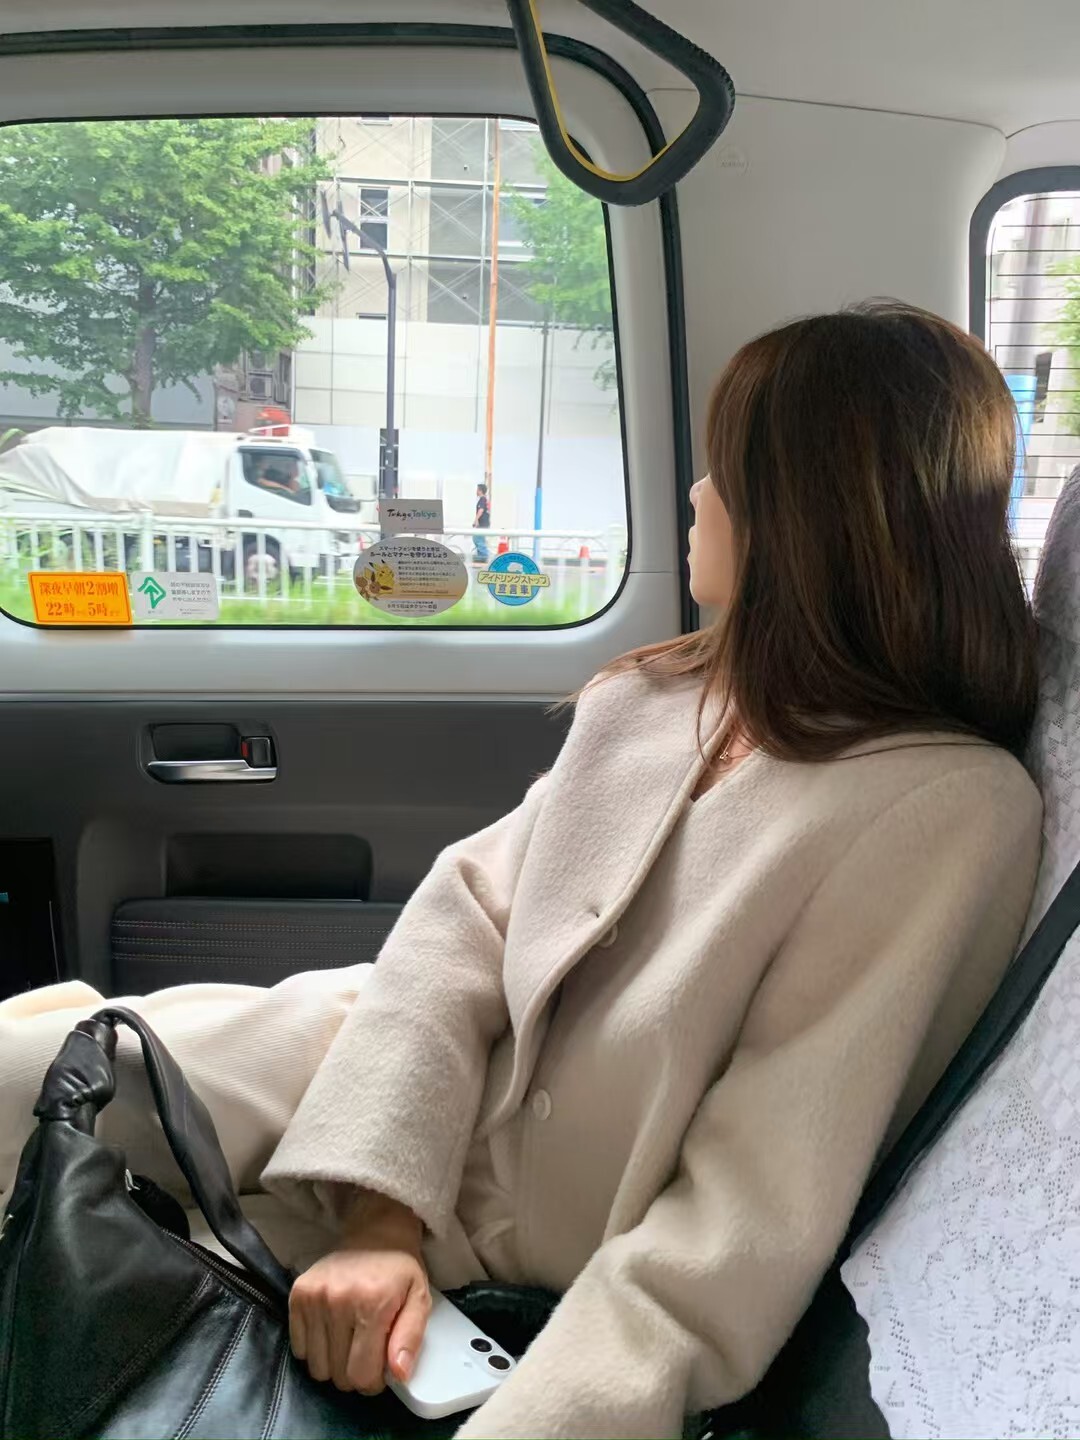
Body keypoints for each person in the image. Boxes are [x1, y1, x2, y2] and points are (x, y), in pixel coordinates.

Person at [0, 302, 1043, 1439]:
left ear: (811, 510)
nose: (697, 495)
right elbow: (463, 921)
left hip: (508, 1249)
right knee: (23, 1083)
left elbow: (740, 1220)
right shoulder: (656, 696)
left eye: (726, 470)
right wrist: (380, 1214)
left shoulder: (945, 812)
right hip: (374, 1073)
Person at [473, 482, 491, 562]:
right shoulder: (485, 500)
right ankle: (481, 557)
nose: (476, 491)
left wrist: (476, 520)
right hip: (484, 523)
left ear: (480, 491)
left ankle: (484, 557)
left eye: (477, 490)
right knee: (478, 539)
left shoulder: (482, 499)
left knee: (478, 540)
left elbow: (481, 510)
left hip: (482, 524)